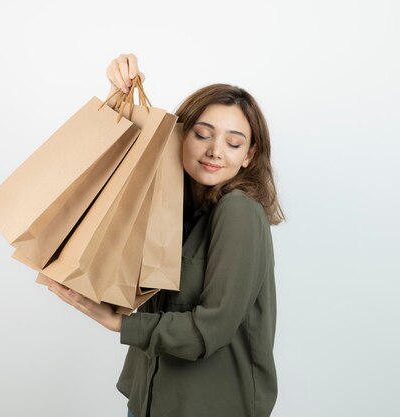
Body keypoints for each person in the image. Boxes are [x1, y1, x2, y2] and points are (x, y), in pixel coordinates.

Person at [47, 53, 286, 417]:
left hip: (206, 407)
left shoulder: (239, 211)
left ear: (249, 156)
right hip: (149, 399)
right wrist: (119, 93)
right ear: (180, 134)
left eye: (233, 144)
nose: (214, 151)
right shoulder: (171, 204)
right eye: (202, 134)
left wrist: (118, 323)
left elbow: (213, 326)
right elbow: (117, 174)